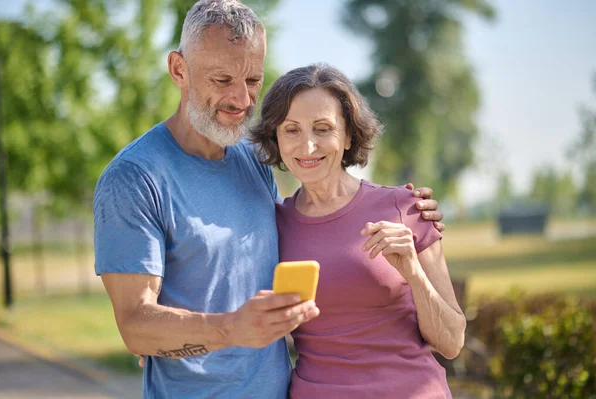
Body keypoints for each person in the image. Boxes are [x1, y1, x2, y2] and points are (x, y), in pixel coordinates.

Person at [93, 1, 444, 398]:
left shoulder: (252, 157)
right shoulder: (135, 178)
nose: (242, 99)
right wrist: (225, 329)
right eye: (223, 79)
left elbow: (302, 233)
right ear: (179, 69)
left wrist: (407, 212)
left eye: (253, 80)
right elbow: (136, 325)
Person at [250, 63, 466, 399]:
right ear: (275, 138)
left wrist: (413, 272)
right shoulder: (271, 225)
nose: (307, 147)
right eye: (291, 130)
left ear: (349, 135)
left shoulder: (406, 207)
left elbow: (451, 343)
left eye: (323, 129)